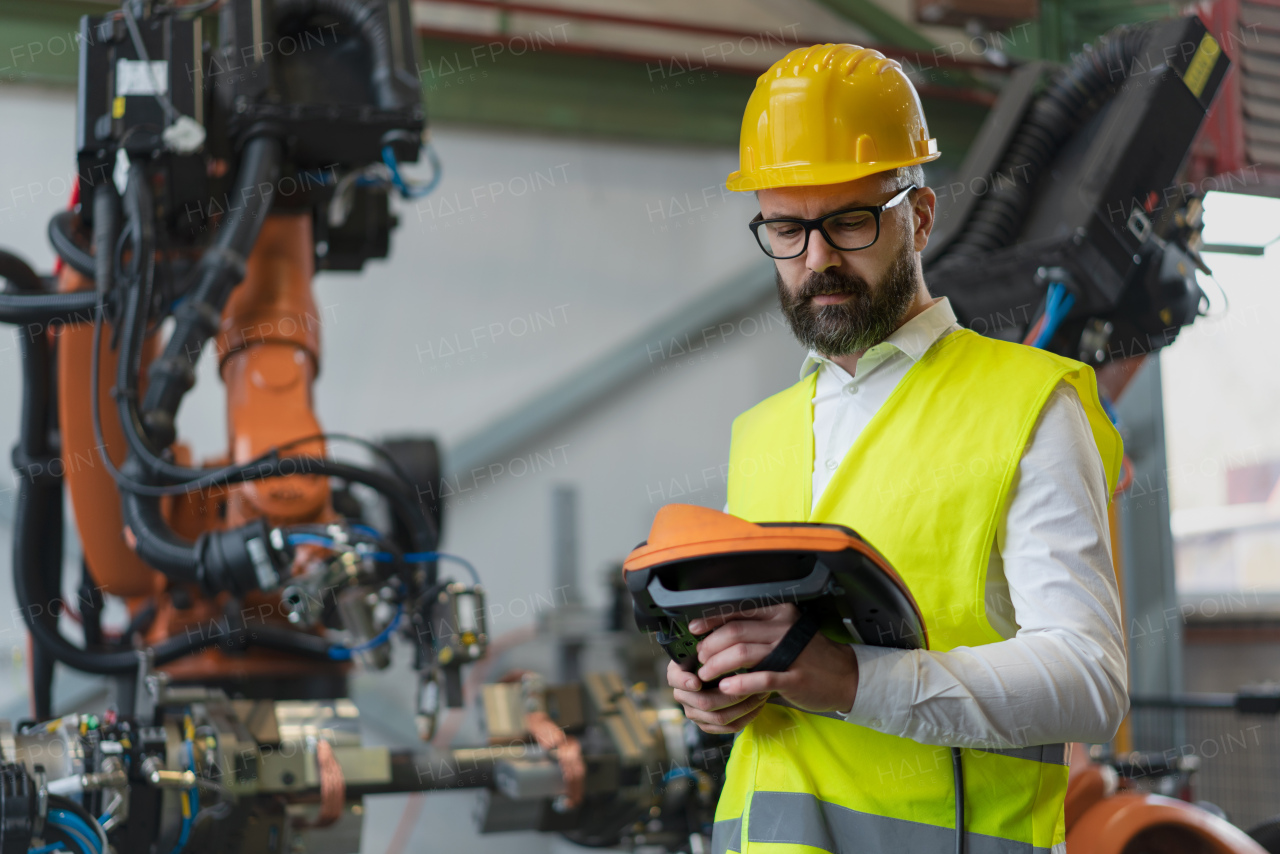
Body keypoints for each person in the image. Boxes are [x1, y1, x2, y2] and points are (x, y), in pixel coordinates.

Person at [666, 43, 1127, 853]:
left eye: (849, 221)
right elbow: (762, 657)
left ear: (919, 215)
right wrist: (720, 689)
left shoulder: (1027, 404)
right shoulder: (761, 432)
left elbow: (1091, 680)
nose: (816, 260)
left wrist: (851, 683)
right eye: (785, 227)